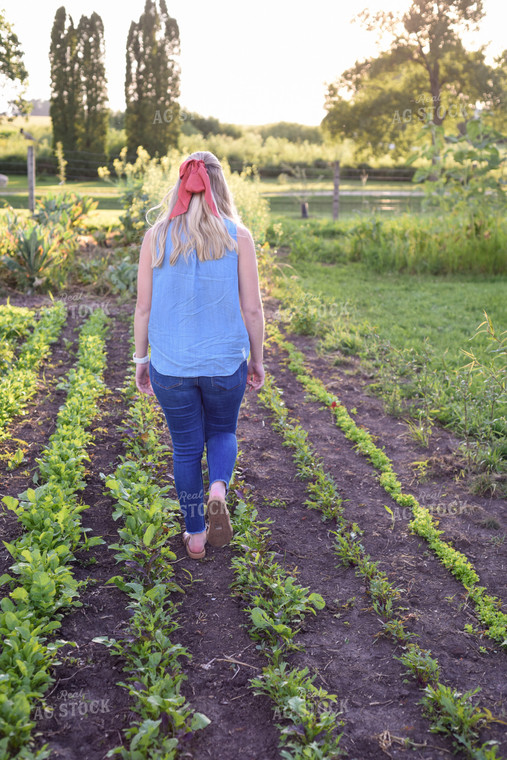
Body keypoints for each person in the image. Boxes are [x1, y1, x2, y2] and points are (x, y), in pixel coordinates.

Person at [133, 151, 265, 559]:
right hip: (225, 364)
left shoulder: (156, 235)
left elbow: (142, 308)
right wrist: (257, 360)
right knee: (222, 432)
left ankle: (194, 536)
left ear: (180, 185)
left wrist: (141, 361)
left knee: (185, 449)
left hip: (170, 366)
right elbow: (253, 309)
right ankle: (218, 489)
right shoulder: (237, 235)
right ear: (220, 185)